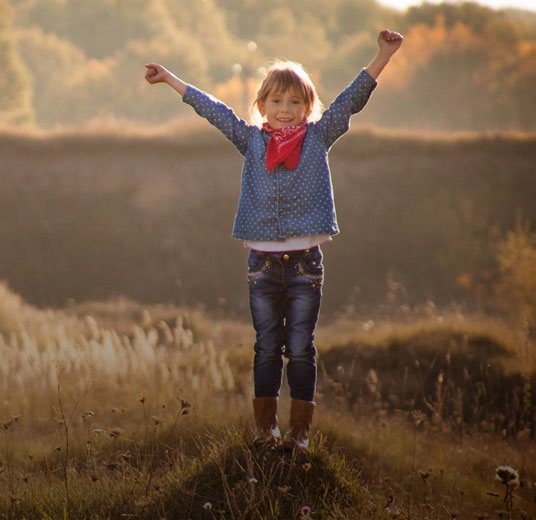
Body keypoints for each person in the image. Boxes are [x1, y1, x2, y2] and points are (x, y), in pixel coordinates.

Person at [145, 30, 403, 450]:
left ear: (308, 107)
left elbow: (352, 98)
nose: (286, 110)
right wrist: (172, 79)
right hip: (262, 266)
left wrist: (384, 55)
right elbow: (213, 110)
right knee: (267, 347)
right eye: (277, 102)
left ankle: (300, 433)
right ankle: (265, 430)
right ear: (262, 106)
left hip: (305, 264)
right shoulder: (251, 141)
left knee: (301, 348)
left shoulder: (319, 138)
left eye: (296, 102)